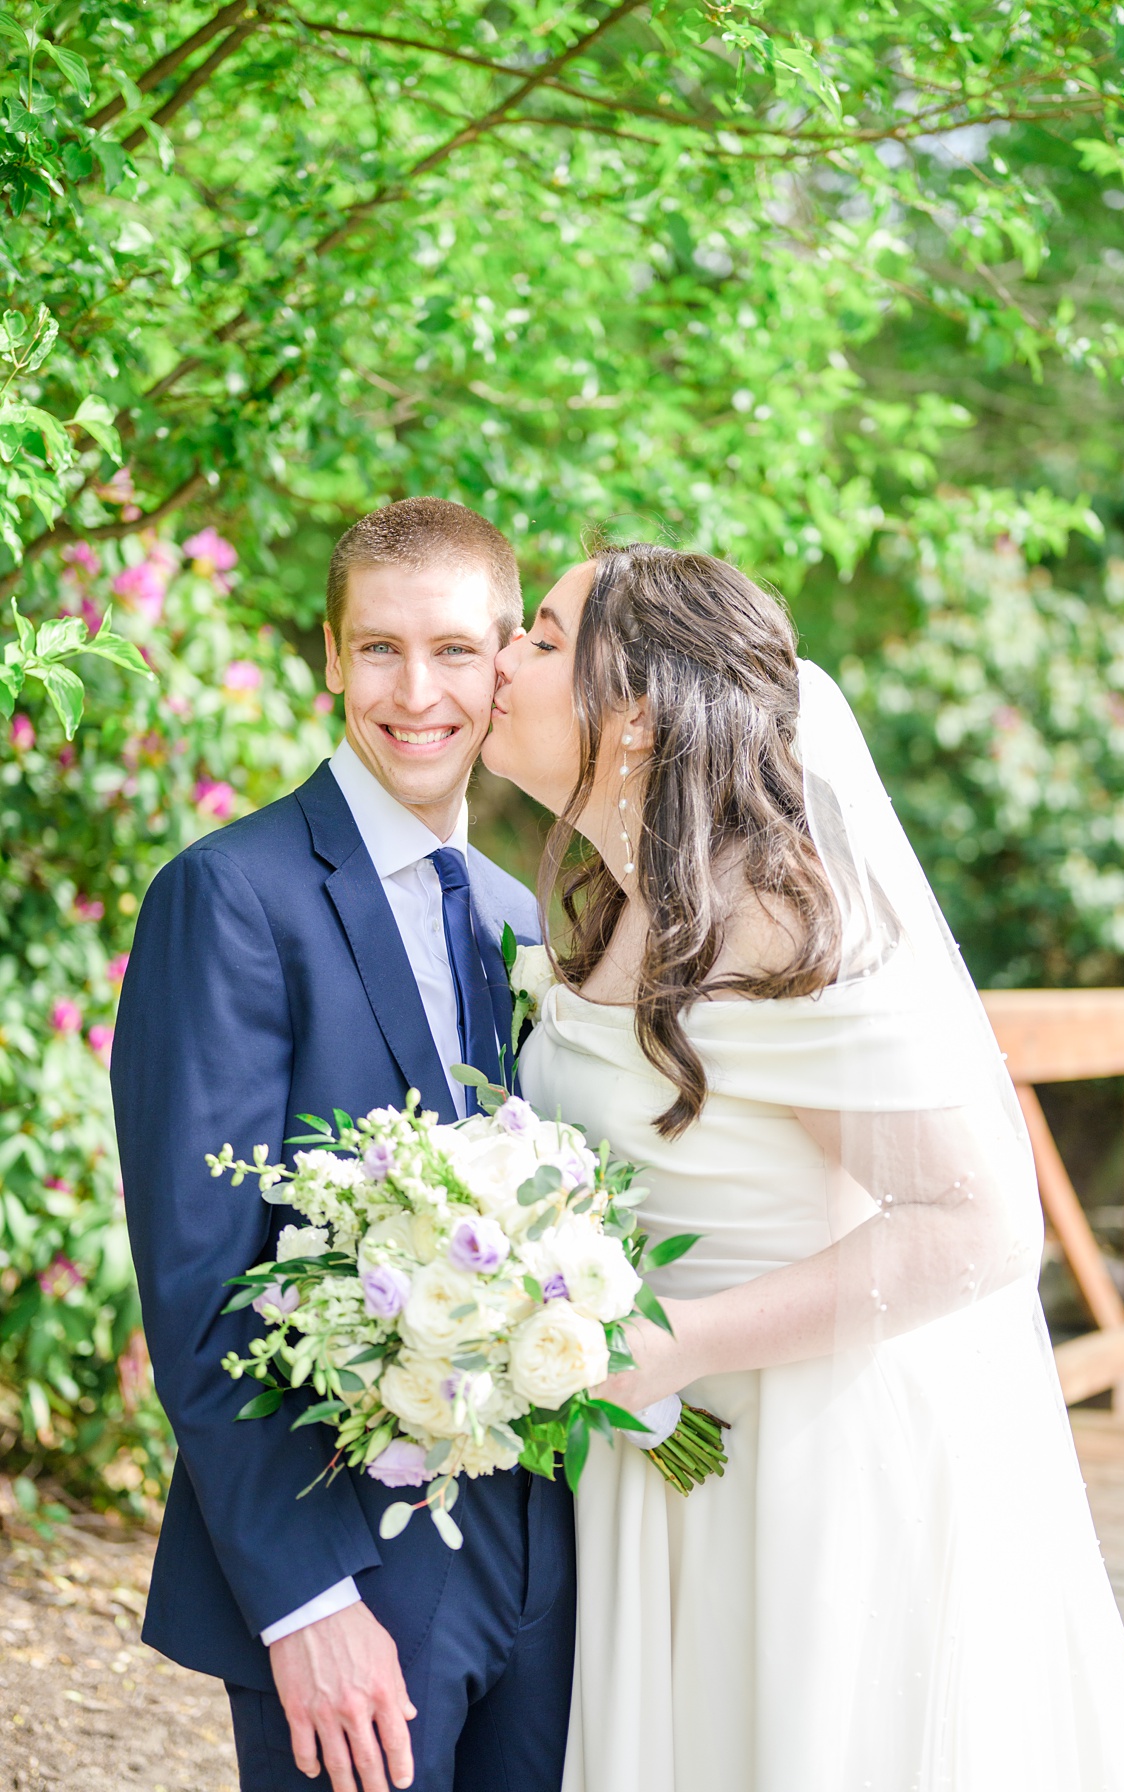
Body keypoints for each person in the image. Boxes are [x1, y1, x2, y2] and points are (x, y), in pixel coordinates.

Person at [480, 542, 1124, 1789]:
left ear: (633, 708)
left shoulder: (772, 914)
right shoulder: (618, 902)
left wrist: (674, 1341)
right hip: (672, 1458)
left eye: (539, 635)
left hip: (803, 1466)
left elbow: (976, 1224)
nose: (502, 660)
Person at [113, 499, 574, 1792]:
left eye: (453, 653)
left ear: (505, 666)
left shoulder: (520, 915)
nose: (414, 692)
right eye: (377, 649)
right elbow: (199, 1282)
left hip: (545, 1555)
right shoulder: (229, 897)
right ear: (328, 655)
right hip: (349, 1563)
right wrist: (304, 1603)